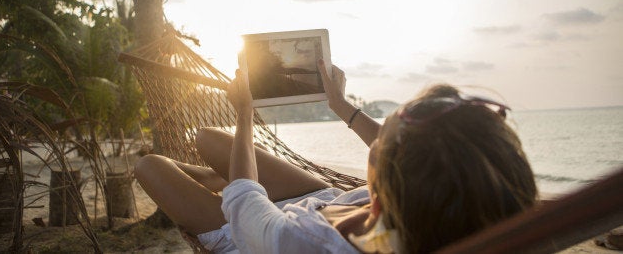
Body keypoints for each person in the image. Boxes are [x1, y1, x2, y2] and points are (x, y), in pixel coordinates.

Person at [134, 60, 538, 253]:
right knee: (207, 137)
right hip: (322, 200)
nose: (375, 142)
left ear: (380, 191)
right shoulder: (423, 205)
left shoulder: (304, 245)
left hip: (252, 230)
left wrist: (244, 112)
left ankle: (212, 184)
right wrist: (341, 105)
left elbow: (244, 201)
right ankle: (214, 181)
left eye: (380, 147)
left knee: (149, 165)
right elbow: (410, 152)